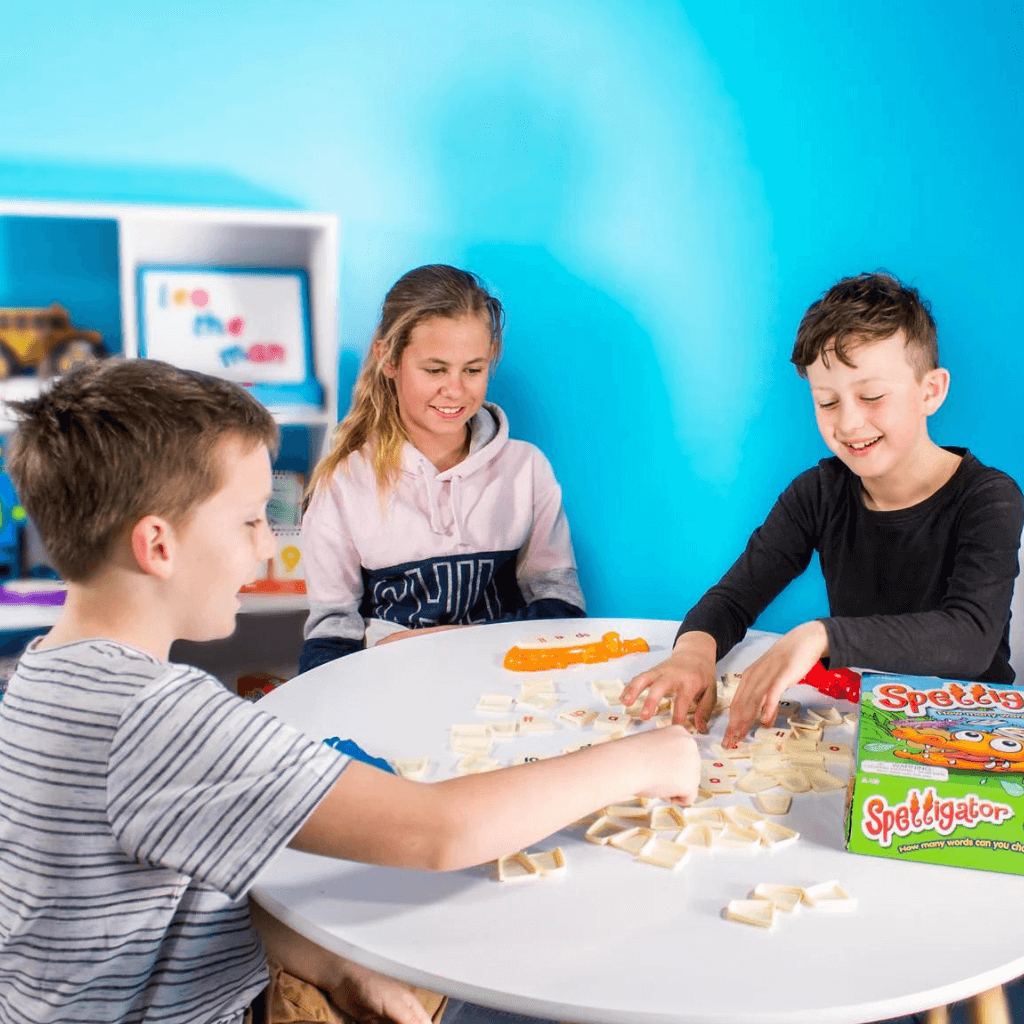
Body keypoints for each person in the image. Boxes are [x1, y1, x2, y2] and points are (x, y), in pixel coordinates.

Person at [0, 358, 700, 1024]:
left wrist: (334, 968)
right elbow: (439, 830)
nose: (267, 547)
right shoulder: (157, 718)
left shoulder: (43, 679)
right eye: (250, 520)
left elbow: (178, 894)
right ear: (158, 545)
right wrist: (642, 758)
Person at [622, 271, 1024, 747]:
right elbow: (732, 599)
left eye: (871, 396)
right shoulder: (818, 493)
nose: (849, 423)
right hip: (863, 723)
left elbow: (970, 638)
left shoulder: (989, 497)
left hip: (972, 729)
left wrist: (823, 635)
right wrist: (693, 652)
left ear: (930, 392)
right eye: (827, 402)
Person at [299, 265, 584, 673]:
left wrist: (444, 639)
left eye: (473, 369)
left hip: (508, 689)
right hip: (391, 689)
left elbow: (563, 611)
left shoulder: (527, 469)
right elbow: (331, 636)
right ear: (388, 359)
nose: (455, 390)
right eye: (434, 370)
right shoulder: (343, 484)